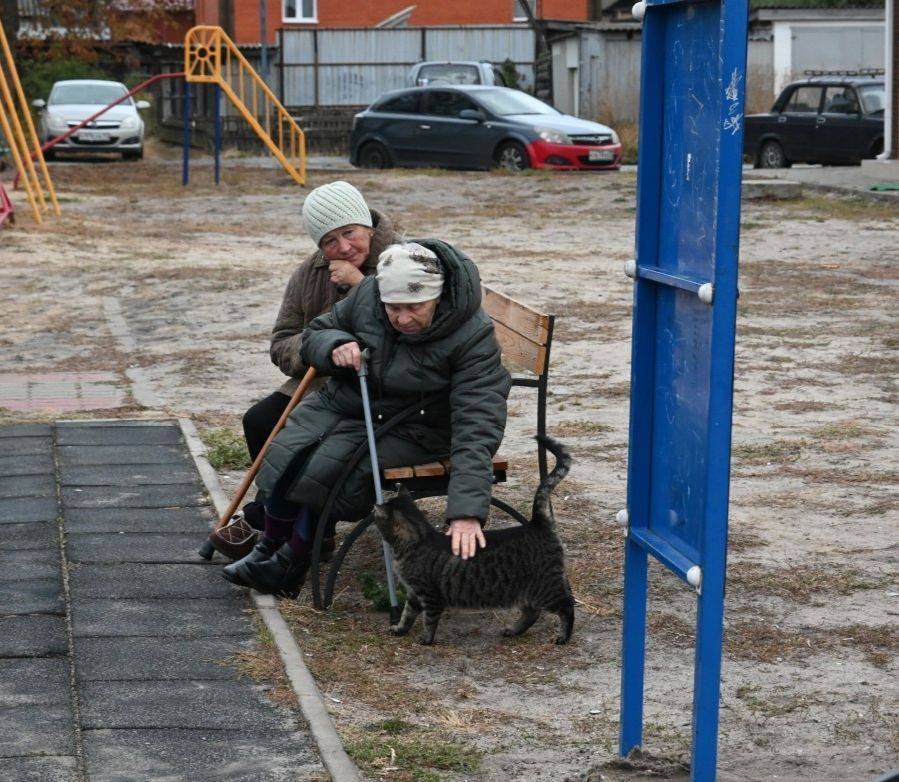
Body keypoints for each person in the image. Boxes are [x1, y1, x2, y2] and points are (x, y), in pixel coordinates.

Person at [223, 240, 512, 595]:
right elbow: (315, 332)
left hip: (419, 427)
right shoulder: (369, 296)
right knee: (288, 448)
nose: (403, 318)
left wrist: (466, 512)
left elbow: (477, 423)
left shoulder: (473, 335)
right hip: (355, 405)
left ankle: (290, 564)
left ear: (437, 297)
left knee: (335, 467)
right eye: (393, 309)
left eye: (415, 307)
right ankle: (269, 546)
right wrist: (335, 343)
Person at [239, 180, 401, 531]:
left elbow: (404, 328)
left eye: (350, 233)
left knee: (315, 439)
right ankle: (291, 522)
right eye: (329, 241)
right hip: (315, 384)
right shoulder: (308, 273)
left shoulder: (401, 260)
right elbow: (282, 340)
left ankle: (280, 522)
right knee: (260, 421)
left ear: (368, 227)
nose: (343, 247)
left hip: (377, 389)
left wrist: (361, 284)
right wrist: (317, 350)